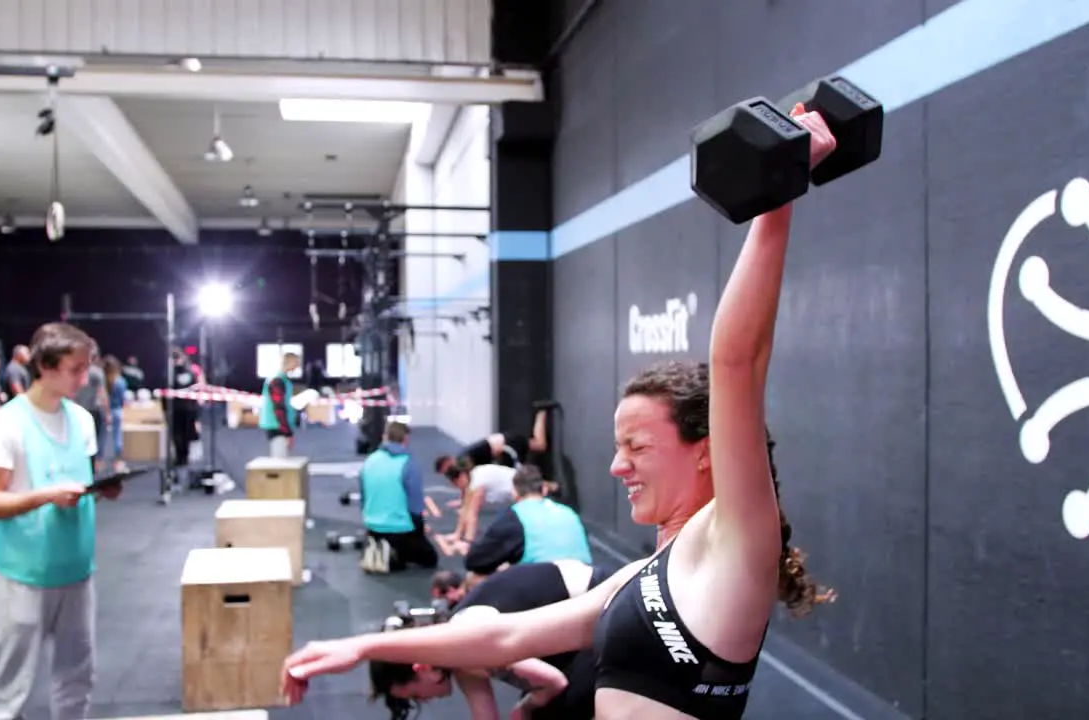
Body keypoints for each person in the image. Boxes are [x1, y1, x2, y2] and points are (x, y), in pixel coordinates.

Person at [279, 105, 841, 719]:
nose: (616, 467)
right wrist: (359, 645)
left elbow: (737, 363)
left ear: (706, 449)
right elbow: (503, 638)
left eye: (638, 447)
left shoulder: (735, 546)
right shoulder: (648, 573)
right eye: (619, 447)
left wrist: (777, 199)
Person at [0, 321, 124, 720]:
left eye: (86, 367)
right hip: (23, 574)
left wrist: (99, 489)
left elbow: (78, 480)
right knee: (10, 688)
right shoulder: (5, 425)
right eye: (75, 369)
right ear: (45, 366)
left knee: (77, 679)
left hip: (76, 569)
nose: (85, 377)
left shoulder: (82, 420)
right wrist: (45, 497)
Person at [371, 560, 615, 720]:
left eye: (415, 694)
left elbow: (554, 682)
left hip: (605, 605)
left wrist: (525, 708)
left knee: (546, 710)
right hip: (574, 624)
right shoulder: (459, 661)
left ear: (421, 668)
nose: (424, 700)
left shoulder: (468, 645)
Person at [463, 465, 592, 584]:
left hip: (548, 589)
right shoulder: (568, 512)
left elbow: (474, 561)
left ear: (514, 492)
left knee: (475, 577)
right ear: (544, 489)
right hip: (588, 584)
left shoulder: (515, 516)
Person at [360, 421, 437, 574]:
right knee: (430, 559)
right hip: (399, 527)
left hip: (372, 524)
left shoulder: (369, 460)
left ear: (385, 437)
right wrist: (420, 528)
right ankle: (394, 554)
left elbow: (364, 498)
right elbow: (415, 504)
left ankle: (378, 545)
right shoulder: (408, 463)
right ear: (406, 439)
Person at [441, 460, 518, 547]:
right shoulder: (472, 477)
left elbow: (472, 513)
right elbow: (465, 508)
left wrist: (467, 541)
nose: (459, 488)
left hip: (522, 487)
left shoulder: (477, 483)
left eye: (457, 484)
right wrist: (457, 534)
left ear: (461, 476)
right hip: (514, 489)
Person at [167, 348, 200, 482]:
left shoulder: (171, 374)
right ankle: (183, 457)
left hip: (179, 409)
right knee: (182, 435)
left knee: (179, 435)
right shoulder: (190, 372)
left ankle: (181, 457)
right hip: (187, 409)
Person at [259, 351, 300, 458]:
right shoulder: (277, 380)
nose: (297, 366)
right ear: (290, 362)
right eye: (296, 363)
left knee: (282, 458)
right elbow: (278, 407)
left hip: (279, 424)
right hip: (277, 425)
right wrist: (287, 431)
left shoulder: (282, 379)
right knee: (280, 462)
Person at [72, 354, 109, 474]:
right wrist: (107, 411)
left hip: (78, 408)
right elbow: (102, 392)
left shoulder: (76, 371)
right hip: (94, 409)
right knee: (96, 438)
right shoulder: (97, 372)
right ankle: (94, 465)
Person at [100, 355, 129, 473]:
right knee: (117, 436)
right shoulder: (121, 381)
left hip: (104, 411)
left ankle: (99, 461)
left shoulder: (103, 380)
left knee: (102, 437)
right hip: (117, 411)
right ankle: (118, 461)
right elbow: (123, 399)